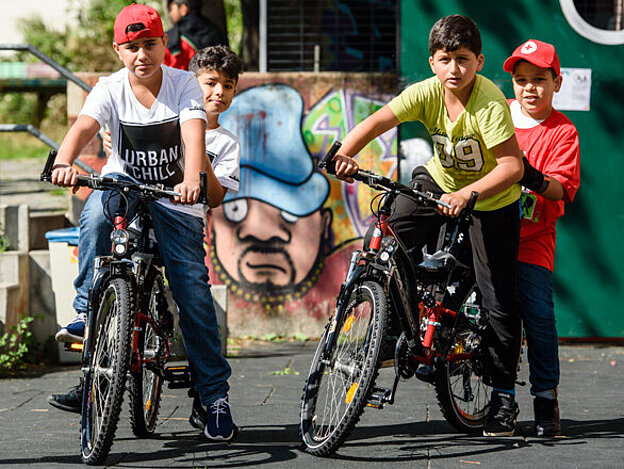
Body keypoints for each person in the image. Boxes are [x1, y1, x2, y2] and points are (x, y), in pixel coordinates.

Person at [47, 3, 235, 441]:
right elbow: (83, 127)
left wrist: (192, 178)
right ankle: (86, 315)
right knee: (94, 211)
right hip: (125, 187)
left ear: (162, 44)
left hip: (175, 199)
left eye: (149, 44)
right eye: (131, 47)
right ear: (118, 50)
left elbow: (193, 132)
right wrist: (63, 162)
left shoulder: (184, 83)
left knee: (192, 292)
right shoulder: (110, 87)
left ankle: (214, 398)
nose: (141, 55)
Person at [332, 14, 525, 437]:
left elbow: (513, 167)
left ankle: (504, 396)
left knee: (498, 302)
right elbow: (377, 121)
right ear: (432, 62)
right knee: (389, 232)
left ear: (480, 61)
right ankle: (394, 322)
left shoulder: (488, 103)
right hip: (440, 181)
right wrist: (344, 153)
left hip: (492, 201)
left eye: (463, 59)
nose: (454, 69)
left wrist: (468, 194)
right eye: (444, 59)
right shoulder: (426, 93)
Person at [503, 39, 581, 437]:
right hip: (490, 233)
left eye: (539, 80)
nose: (529, 88)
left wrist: (528, 174)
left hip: (533, 239)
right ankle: (500, 397)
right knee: (495, 318)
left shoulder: (563, 131)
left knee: (539, 318)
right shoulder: (498, 116)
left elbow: (561, 189)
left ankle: (546, 400)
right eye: (521, 80)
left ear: (557, 82)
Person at [164, 0, 229, 70]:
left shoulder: (170, 39)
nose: (170, 14)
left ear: (183, 9)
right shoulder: (216, 32)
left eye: (171, 9)